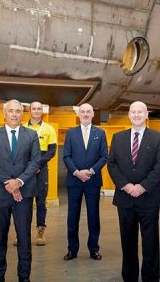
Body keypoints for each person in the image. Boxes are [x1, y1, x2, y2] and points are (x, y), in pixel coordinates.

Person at [107, 101, 160, 282]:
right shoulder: (118, 138)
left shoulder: (158, 138)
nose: (136, 115)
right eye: (133, 112)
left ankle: (150, 277)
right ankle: (129, 276)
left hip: (149, 198)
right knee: (128, 242)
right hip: (125, 199)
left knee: (150, 242)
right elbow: (112, 164)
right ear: (129, 115)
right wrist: (125, 185)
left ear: (146, 114)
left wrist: (143, 186)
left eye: (140, 112)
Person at [0, 100, 41, 282]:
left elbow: (34, 162)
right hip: (0, 194)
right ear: (4, 114)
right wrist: (9, 183)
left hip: (24, 194)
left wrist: (18, 181)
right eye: (11, 111)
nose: (15, 114)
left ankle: (24, 276)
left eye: (18, 111)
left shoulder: (31, 135)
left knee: (24, 237)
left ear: (22, 114)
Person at [62, 103, 108, 261]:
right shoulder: (71, 133)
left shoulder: (100, 133)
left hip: (92, 180)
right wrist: (76, 172)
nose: (86, 114)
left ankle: (94, 249)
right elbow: (66, 156)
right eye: (83, 112)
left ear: (93, 114)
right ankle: (72, 249)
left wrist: (91, 171)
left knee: (93, 216)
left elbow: (104, 156)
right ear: (79, 114)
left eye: (89, 111)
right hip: (74, 181)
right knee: (72, 216)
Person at [25, 101, 58, 246]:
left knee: (40, 201)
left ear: (42, 111)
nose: (36, 111)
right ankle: (22, 233)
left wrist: (37, 165)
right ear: (29, 110)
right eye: (34, 108)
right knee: (24, 202)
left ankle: (40, 232)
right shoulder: (22, 127)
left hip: (41, 168)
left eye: (39, 108)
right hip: (25, 169)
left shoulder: (49, 129)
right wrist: (30, 166)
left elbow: (52, 151)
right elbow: (20, 151)